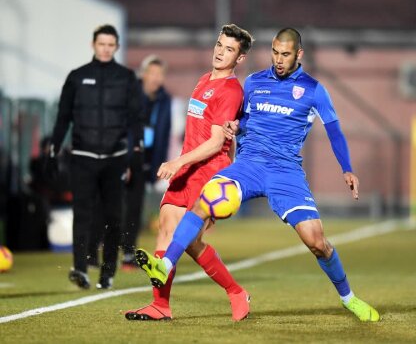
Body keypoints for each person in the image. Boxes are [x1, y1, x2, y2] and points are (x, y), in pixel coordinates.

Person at [135, 27, 380, 322]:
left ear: (299, 55)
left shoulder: (314, 90)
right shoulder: (253, 83)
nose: (278, 59)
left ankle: (348, 298)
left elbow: (334, 131)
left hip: (285, 171)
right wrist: (235, 127)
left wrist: (347, 168)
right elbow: (241, 121)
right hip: (248, 164)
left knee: (316, 241)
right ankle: (165, 265)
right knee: (206, 199)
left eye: (285, 54)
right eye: (275, 52)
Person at [125, 24, 254, 321]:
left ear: (240, 58)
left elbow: (216, 142)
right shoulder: (204, 80)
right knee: (172, 234)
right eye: (219, 45)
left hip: (208, 171)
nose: (221, 52)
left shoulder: (231, 91)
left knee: (185, 240)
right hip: (187, 167)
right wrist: (182, 163)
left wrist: (177, 162)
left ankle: (235, 291)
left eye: (229, 49)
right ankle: (160, 305)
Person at [47, 24, 143, 290]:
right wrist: (54, 148)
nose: (105, 48)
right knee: (83, 214)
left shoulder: (126, 78)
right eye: (101, 44)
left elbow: (135, 119)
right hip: (83, 156)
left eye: (111, 45)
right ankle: (80, 268)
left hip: (115, 158)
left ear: (117, 47)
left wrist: (137, 150)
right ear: (93, 45)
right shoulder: (77, 77)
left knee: (114, 216)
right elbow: (63, 117)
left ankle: (107, 272)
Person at [121, 55, 173, 270]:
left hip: (146, 158)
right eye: (151, 73)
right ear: (143, 74)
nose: (155, 78)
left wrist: (157, 166)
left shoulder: (164, 100)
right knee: (116, 204)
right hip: (126, 156)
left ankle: (127, 252)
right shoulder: (129, 93)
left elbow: (164, 133)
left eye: (159, 74)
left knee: (135, 207)